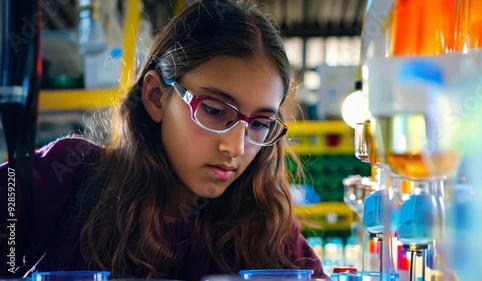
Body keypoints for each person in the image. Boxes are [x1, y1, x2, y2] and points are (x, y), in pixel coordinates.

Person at [1, 0, 330, 280]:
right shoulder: (64, 179)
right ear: (156, 96)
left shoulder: (266, 229)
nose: (236, 147)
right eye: (215, 110)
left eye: (259, 124)